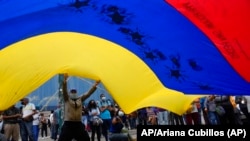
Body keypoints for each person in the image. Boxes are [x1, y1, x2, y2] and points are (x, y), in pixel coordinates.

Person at [58, 73, 101, 141]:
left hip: (78, 124)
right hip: (68, 124)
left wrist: (95, 85)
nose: (73, 93)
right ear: (70, 92)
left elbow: (88, 93)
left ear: (77, 92)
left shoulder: (80, 99)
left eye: (74, 91)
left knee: (86, 139)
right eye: (72, 91)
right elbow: (64, 90)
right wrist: (65, 80)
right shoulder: (67, 99)